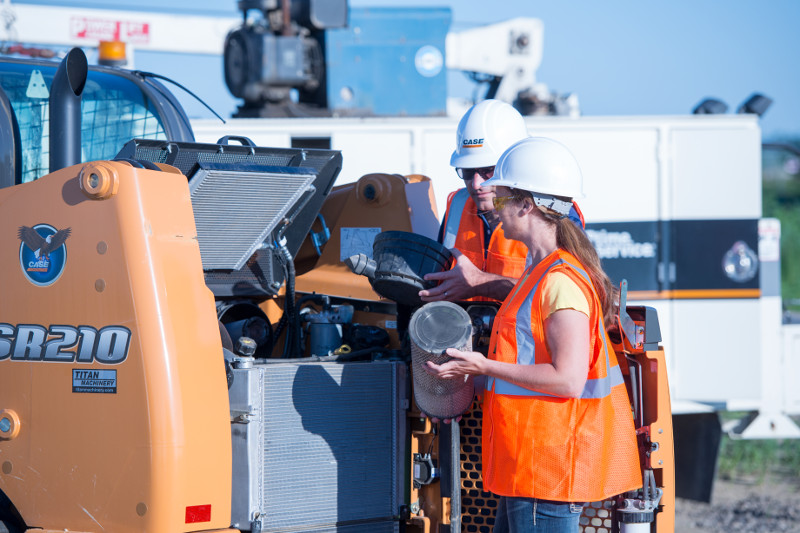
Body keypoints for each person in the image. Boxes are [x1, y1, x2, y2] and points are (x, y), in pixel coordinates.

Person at [424, 137, 642, 532]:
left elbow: (568, 379)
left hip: (548, 471)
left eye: (503, 196)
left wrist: (483, 365)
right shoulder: (538, 273)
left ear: (527, 204)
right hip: (529, 467)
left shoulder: (560, 281)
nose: (491, 204)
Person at [419, 99, 585, 304]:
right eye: (468, 171)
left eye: (488, 170)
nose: (477, 183)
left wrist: (483, 283)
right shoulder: (457, 206)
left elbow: (566, 295)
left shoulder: (557, 209)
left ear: (517, 163)